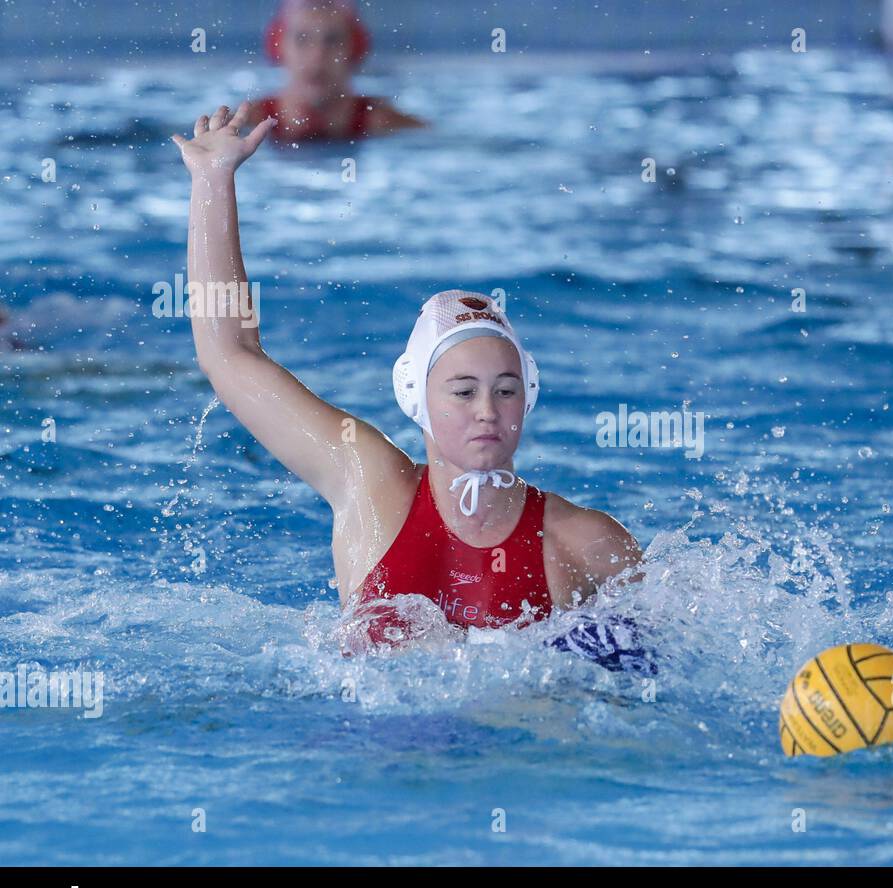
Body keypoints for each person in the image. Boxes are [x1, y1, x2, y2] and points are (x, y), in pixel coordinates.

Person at [170, 102, 643, 651]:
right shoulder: (369, 488)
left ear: (528, 395)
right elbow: (229, 354)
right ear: (414, 395)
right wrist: (211, 181)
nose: (487, 410)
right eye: (463, 391)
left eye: (505, 390)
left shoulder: (586, 544)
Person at [248, 0, 425, 143]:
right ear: (278, 47)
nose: (317, 56)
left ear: (355, 49)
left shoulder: (386, 124)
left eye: (332, 40)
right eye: (302, 39)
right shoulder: (248, 123)